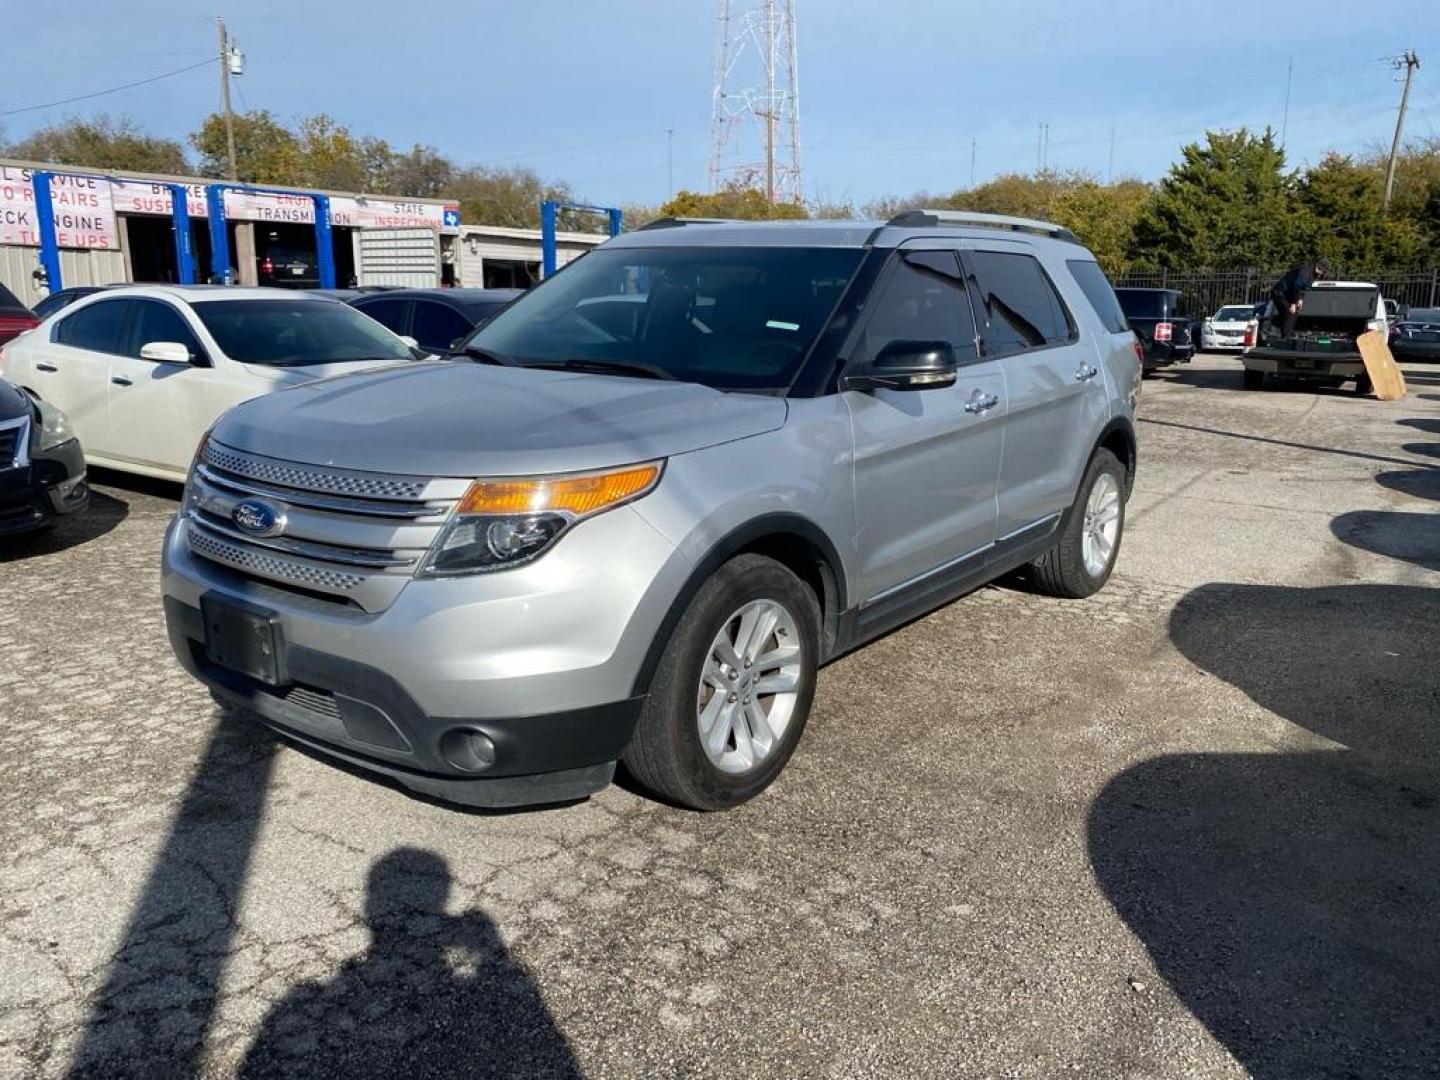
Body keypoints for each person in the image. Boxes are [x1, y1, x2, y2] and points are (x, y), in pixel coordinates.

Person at [1270, 257, 1331, 339]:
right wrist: (1294, 303)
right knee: (1291, 312)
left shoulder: (1313, 274)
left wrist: (1300, 299)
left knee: (1293, 313)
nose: (1322, 274)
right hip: (1280, 294)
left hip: (1288, 294)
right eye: (1322, 271)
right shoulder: (1305, 270)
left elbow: (1303, 288)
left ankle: (1286, 334)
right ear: (1318, 266)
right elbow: (1297, 285)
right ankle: (1286, 337)